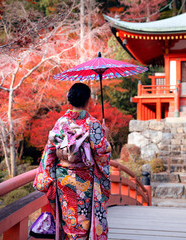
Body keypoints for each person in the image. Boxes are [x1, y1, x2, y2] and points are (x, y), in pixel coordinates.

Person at [33, 83, 111, 240]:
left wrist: (47, 176)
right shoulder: (93, 124)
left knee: (68, 217)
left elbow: (49, 152)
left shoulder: (61, 123)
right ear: (88, 100)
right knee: (83, 218)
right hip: (85, 179)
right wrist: (105, 137)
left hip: (64, 179)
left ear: (70, 99)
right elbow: (102, 152)